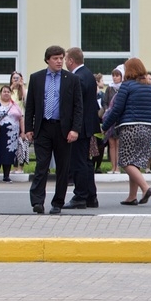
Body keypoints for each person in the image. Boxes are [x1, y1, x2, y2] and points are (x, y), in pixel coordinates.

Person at [25, 45, 83, 215]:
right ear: (47, 60)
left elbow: (78, 107)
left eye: (61, 58)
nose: (59, 61)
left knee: (63, 167)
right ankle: (37, 201)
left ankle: (58, 202)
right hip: (43, 127)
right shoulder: (36, 78)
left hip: (63, 129)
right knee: (41, 166)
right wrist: (29, 128)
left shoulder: (71, 79)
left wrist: (75, 129)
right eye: (55, 58)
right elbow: (31, 106)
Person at [101, 58, 151, 206]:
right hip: (149, 127)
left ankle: (145, 188)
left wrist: (105, 126)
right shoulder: (149, 87)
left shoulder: (127, 86)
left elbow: (116, 109)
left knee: (125, 161)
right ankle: (132, 196)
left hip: (130, 126)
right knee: (136, 161)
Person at [56, 48, 101, 208]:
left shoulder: (78, 77)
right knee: (86, 162)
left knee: (78, 162)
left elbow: (75, 105)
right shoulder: (87, 74)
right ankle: (90, 196)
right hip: (87, 125)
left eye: (65, 59)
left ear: (70, 61)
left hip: (80, 126)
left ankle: (80, 196)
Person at [102, 66, 124, 174]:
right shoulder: (109, 88)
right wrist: (107, 110)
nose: (115, 78)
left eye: (117, 76)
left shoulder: (123, 88)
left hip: (119, 119)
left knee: (119, 143)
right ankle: (113, 167)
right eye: (113, 76)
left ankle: (118, 167)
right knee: (111, 143)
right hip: (110, 118)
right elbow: (105, 102)